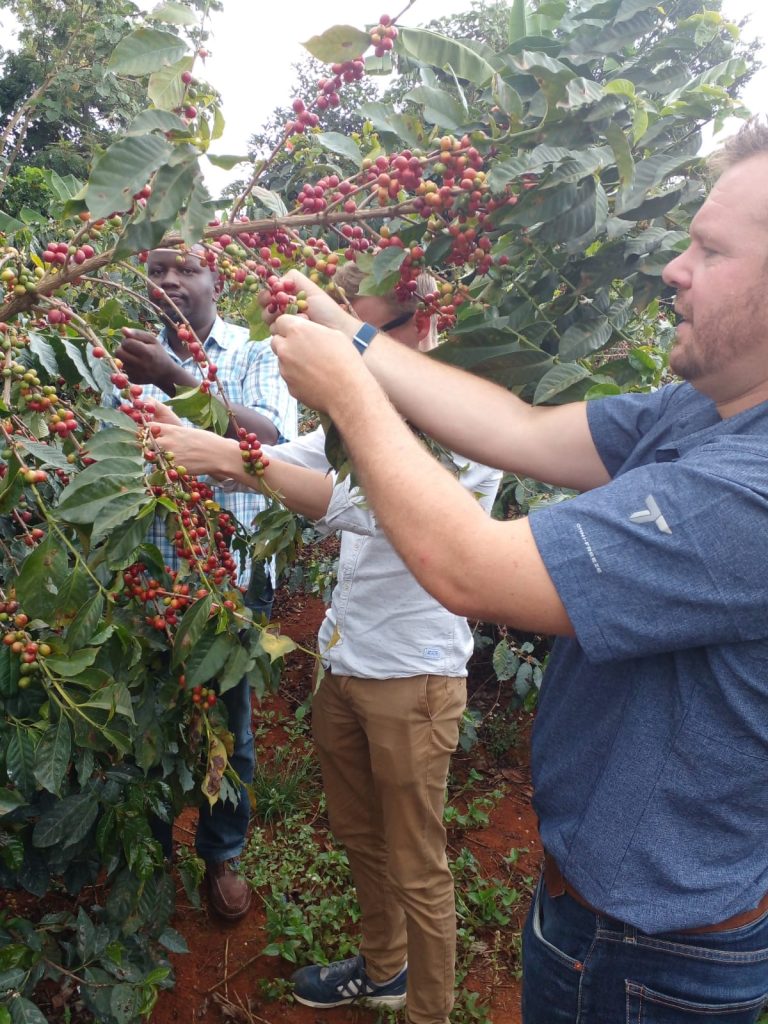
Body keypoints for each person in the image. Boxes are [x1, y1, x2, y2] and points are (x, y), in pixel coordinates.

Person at [258, 117, 768, 1022]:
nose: (674, 268)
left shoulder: (747, 493)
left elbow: (469, 567)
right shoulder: (700, 410)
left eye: (711, 250)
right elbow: (521, 430)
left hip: (656, 960)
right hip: (589, 908)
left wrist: (348, 390)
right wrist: (354, 336)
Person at [151, 262, 501, 1024]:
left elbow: (362, 503)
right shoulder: (372, 401)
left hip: (413, 678)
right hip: (347, 661)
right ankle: (384, 969)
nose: (343, 338)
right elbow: (311, 455)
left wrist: (226, 458)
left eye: (356, 323)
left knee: (417, 864)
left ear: (418, 320)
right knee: (360, 835)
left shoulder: (463, 418)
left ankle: (428, 1011)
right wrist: (209, 435)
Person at [112, 244, 297, 922]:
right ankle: (154, 853)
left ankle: (222, 853)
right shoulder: (126, 356)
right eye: (156, 269)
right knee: (150, 722)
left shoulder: (252, 352)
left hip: (228, 587)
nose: (168, 280)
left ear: (217, 280)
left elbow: (269, 439)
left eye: (185, 269)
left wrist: (173, 377)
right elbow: (113, 454)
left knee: (230, 725)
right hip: (152, 581)